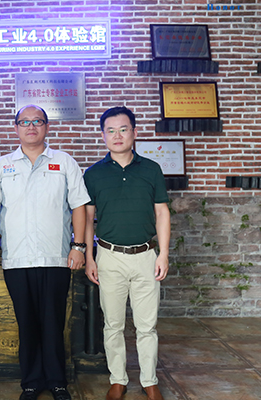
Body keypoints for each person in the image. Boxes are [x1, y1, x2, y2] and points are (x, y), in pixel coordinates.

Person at [0, 105, 90, 400]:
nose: (31, 126)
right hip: (17, 260)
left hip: (56, 258)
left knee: (53, 323)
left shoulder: (64, 162)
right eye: (24, 122)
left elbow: (79, 206)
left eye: (37, 121)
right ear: (16, 128)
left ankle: (57, 381)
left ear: (46, 127)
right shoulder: (2, 165)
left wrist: (78, 247)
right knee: (26, 323)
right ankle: (30, 382)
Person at [83, 106, 170, 400]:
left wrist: (163, 254)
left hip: (146, 255)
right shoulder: (93, 174)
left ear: (134, 132)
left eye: (123, 129)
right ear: (103, 135)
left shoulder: (151, 169)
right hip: (109, 256)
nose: (117, 135)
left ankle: (149, 380)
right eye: (110, 130)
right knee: (113, 324)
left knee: (147, 325)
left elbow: (162, 213)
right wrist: (89, 257)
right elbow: (88, 218)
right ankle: (118, 379)